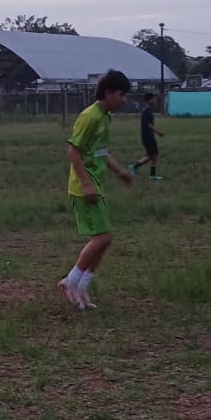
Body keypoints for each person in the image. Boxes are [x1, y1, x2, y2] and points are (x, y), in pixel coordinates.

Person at [59, 70, 134, 310]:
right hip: (85, 188)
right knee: (103, 237)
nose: (124, 100)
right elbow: (73, 151)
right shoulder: (89, 116)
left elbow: (100, 151)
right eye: (121, 94)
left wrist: (119, 171)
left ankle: (82, 286)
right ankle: (70, 282)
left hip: (96, 185)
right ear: (108, 93)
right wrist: (86, 184)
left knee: (104, 240)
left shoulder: (105, 117)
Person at [131, 92, 163, 180]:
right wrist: (158, 132)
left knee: (154, 155)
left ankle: (152, 175)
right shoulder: (145, 112)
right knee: (152, 156)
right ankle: (134, 167)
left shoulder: (149, 111)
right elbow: (149, 125)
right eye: (153, 99)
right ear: (148, 100)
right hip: (147, 137)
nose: (155, 100)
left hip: (150, 136)